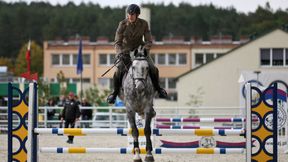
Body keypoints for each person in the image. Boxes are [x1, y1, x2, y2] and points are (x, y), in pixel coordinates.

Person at [107, 4, 167, 104]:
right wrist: (119, 53)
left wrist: (144, 50)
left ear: (137, 15)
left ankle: (159, 89)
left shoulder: (144, 24)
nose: (130, 16)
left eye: (132, 14)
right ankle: (114, 92)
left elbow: (149, 41)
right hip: (125, 52)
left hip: (140, 51)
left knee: (153, 68)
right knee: (118, 70)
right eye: (129, 14)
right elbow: (117, 42)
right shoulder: (122, 24)